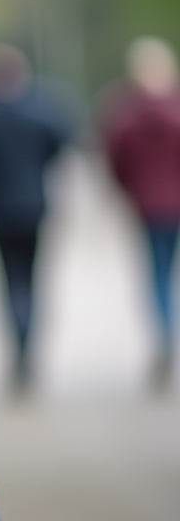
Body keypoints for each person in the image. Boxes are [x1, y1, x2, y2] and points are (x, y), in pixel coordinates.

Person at [0, 43, 69, 392]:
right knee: (32, 282)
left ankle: (17, 350)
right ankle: (28, 349)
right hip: (34, 207)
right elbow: (60, 145)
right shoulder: (41, 111)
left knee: (9, 283)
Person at [101, 36, 180, 389]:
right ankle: (167, 335)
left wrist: (129, 191)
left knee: (157, 276)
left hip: (147, 206)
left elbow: (116, 162)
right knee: (166, 273)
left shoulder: (125, 115)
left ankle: (164, 335)